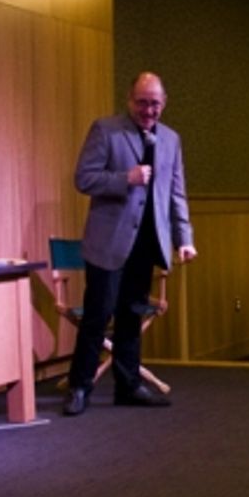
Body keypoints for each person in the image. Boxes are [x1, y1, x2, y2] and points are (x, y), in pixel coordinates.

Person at [63, 72, 196, 415]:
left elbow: (176, 194)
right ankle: (80, 387)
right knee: (97, 317)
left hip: (147, 243)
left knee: (131, 318)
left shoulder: (171, 140)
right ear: (129, 100)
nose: (148, 110)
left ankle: (128, 385)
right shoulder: (106, 130)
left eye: (154, 103)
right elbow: (84, 178)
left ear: (163, 104)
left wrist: (184, 238)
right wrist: (127, 179)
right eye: (142, 102)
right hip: (108, 242)